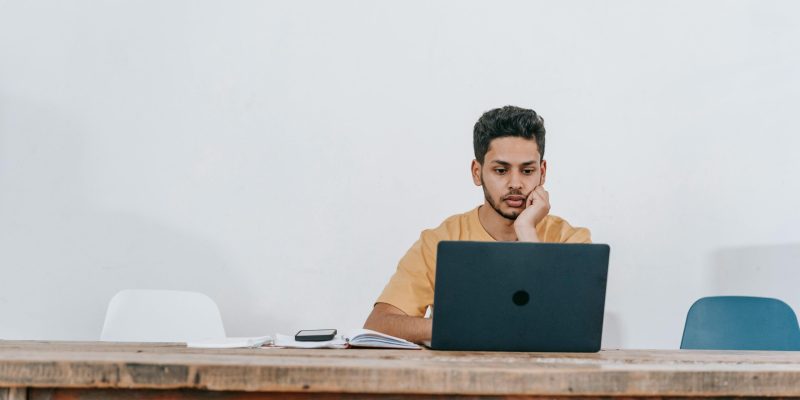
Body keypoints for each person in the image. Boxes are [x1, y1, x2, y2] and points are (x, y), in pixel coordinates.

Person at [363, 105, 591, 343]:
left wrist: (526, 231)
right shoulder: (440, 241)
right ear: (477, 172)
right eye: (501, 170)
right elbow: (379, 324)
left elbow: (571, 326)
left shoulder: (571, 242)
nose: (516, 183)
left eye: (527, 170)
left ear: (542, 173)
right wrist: (471, 325)